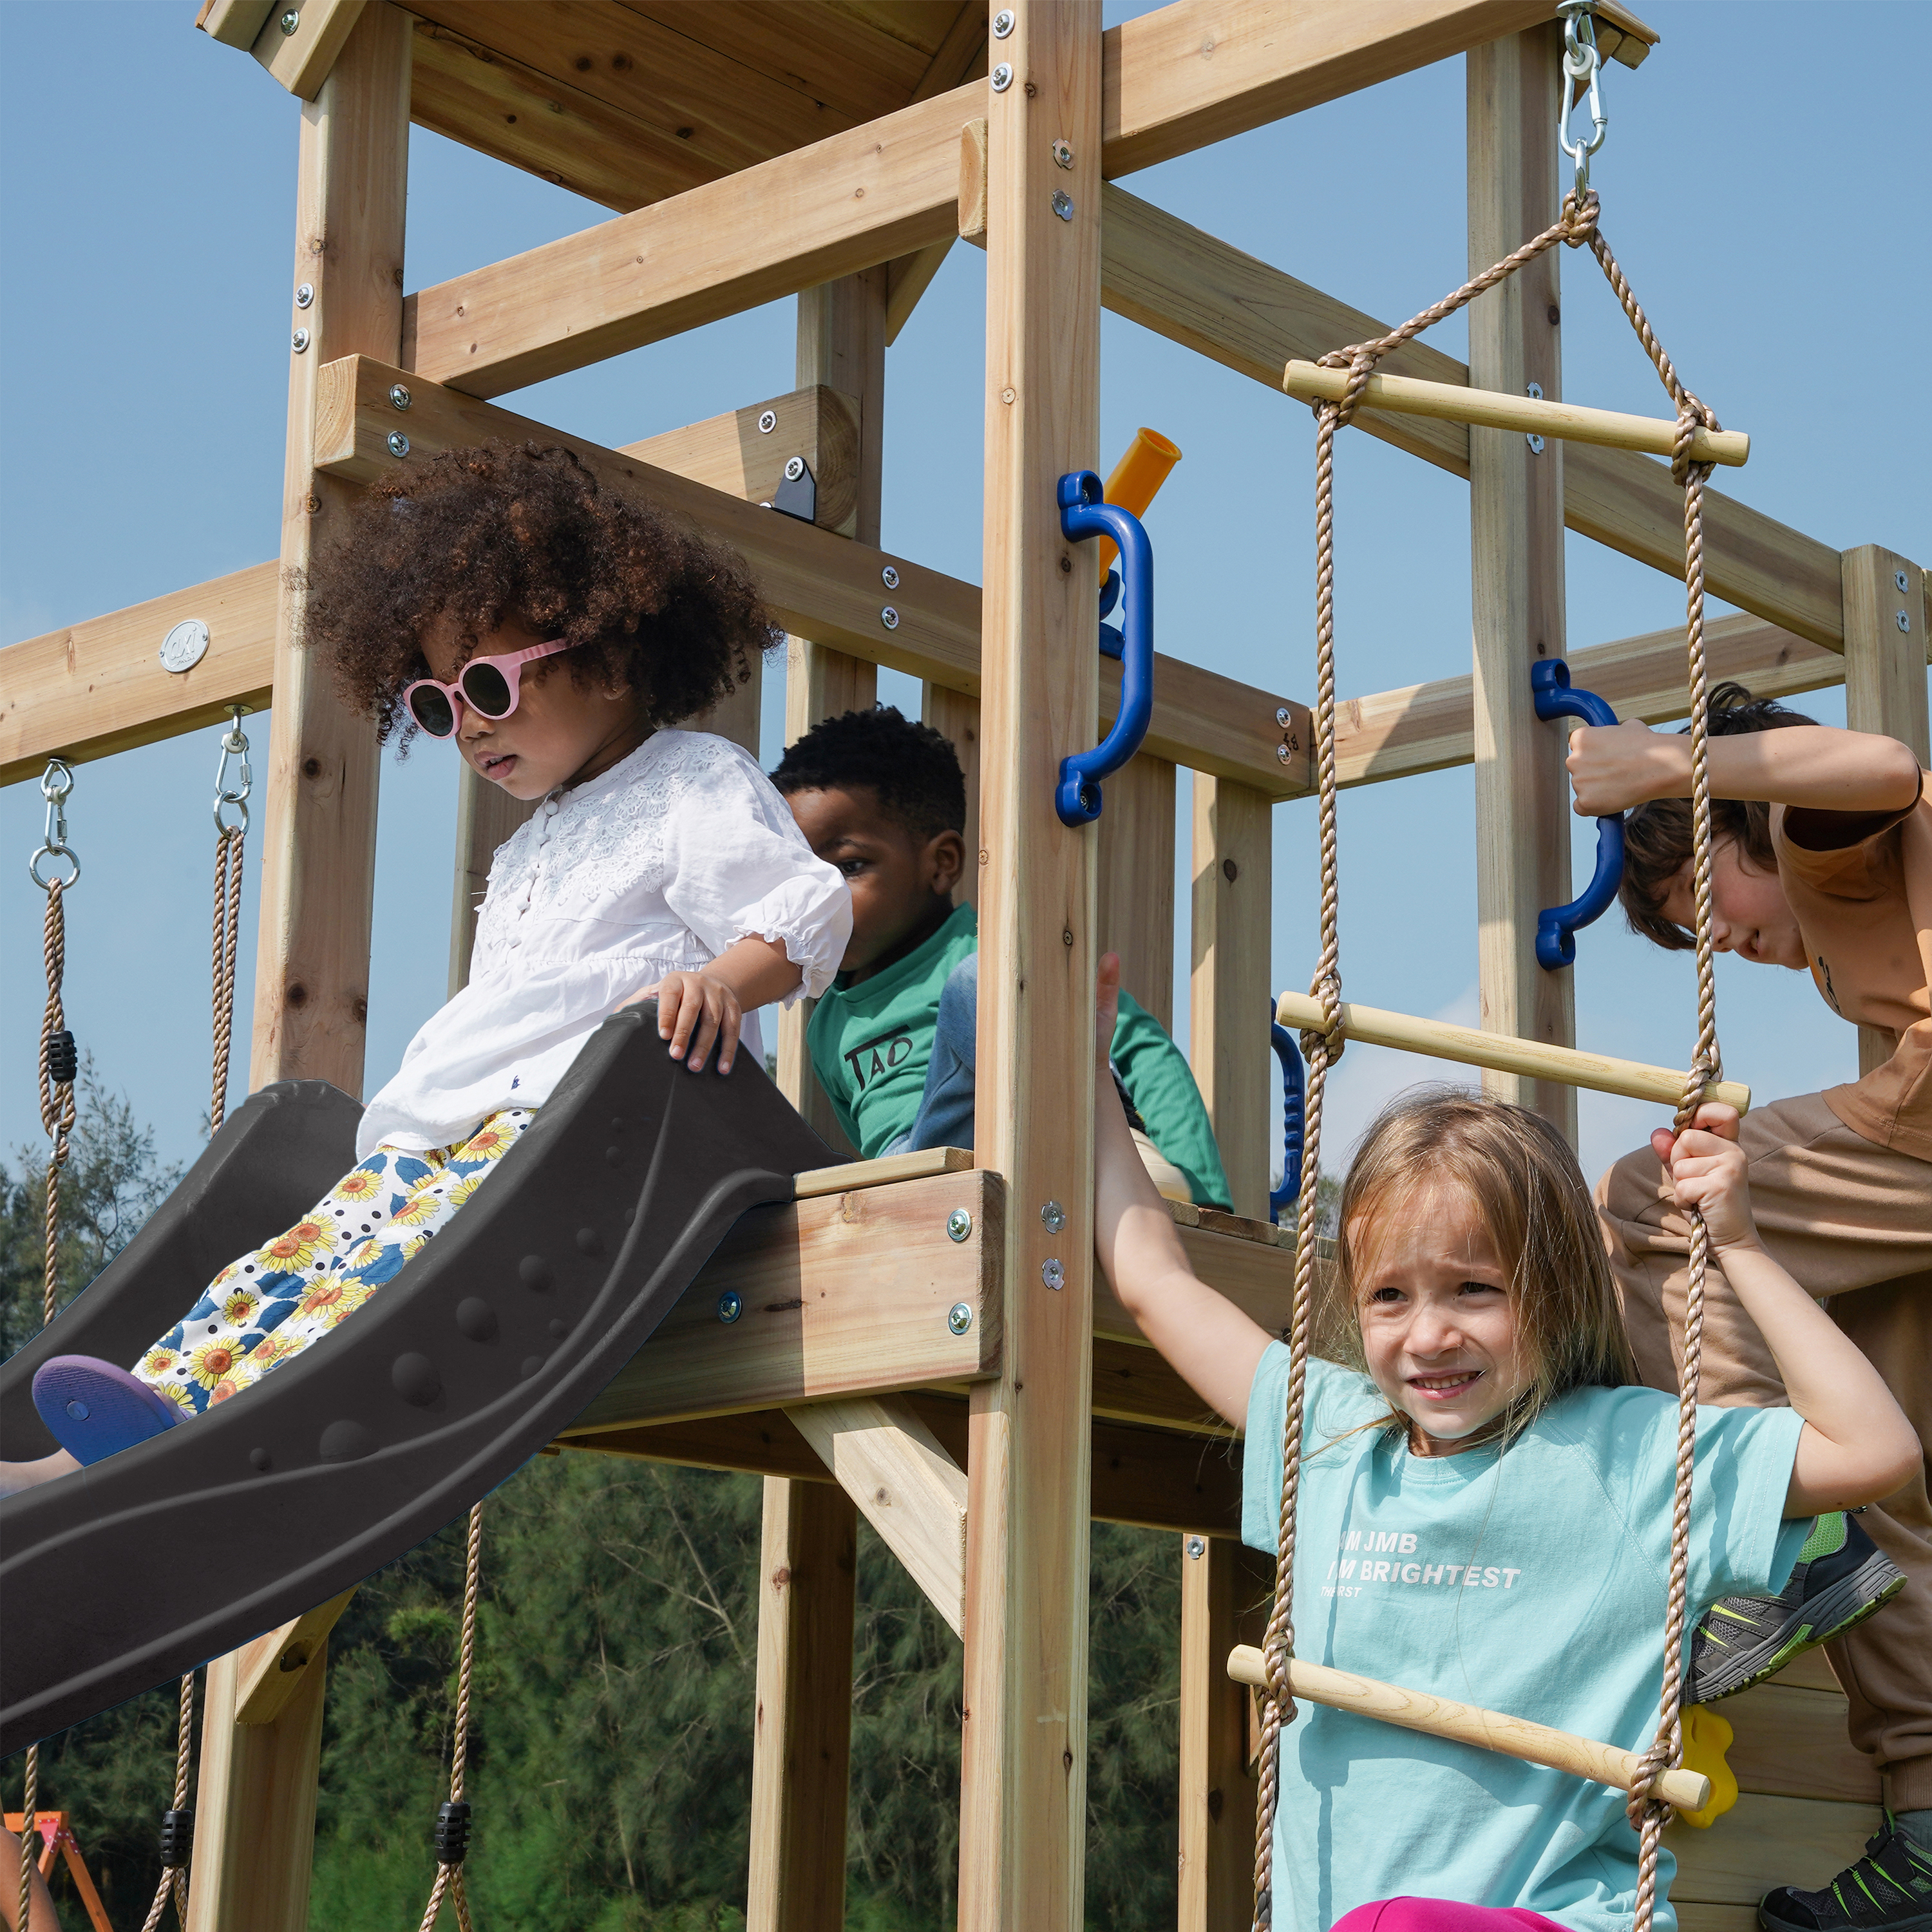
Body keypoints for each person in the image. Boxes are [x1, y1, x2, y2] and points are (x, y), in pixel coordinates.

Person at [5, 441, 850, 1493]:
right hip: (443, 1146)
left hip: (569, 1155)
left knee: (372, 1292)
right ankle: (90, 1454)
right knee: (278, 1274)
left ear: (616, 660)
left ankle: (190, 1436)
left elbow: (802, 904)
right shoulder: (528, 845)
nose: (471, 724)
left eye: (491, 683)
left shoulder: (688, 783)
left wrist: (722, 983)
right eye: (440, 704)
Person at [1089, 951, 1920, 1932]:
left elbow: (1874, 1450)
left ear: (1555, 1291)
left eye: (1474, 1290)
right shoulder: (1335, 1436)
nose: (1429, 1334)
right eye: (1390, 1296)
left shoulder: (1628, 1454)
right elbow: (1153, 1279)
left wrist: (1737, 1246)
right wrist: (1091, 1062)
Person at [1570, 685, 1932, 1926]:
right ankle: (1931, 1827)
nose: (1713, 939)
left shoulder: (1807, 830)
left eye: (1695, 906)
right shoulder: (1862, 911)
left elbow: (1883, 758)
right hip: (1912, 1161)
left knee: (1654, 1192)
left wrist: (1661, 762)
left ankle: (1776, 1552)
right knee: (1884, 1460)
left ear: (1732, 830)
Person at [772, 705, 1232, 1208]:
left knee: (986, 980)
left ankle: (1120, 1145)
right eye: (797, 879)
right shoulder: (827, 1024)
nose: (819, 899)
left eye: (848, 867)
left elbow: (1139, 1047)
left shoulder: (985, 958)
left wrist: (1202, 1191)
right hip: (913, 1187)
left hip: (1009, 1163)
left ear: (941, 865)